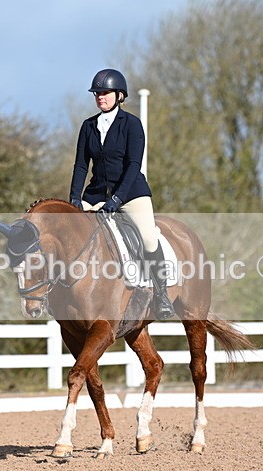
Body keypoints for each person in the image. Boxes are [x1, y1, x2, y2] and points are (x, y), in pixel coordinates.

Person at [69, 68, 174, 319]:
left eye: (105, 93)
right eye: (97, 93)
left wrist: (117, 199)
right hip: (96, 195)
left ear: (120, 95)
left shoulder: (132, 124)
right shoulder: (88, 126)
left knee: (149, 238)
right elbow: (81, 166)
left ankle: (161, 295)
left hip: (130, 193)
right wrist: (74, 199)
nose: (100, 97)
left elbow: (133, 165)